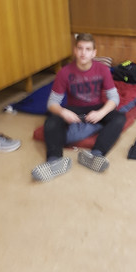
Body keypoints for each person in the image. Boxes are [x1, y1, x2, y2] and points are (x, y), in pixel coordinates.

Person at [31, 33, 126, 182]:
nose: (83, 53)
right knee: (51, 121)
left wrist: (101, 113)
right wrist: (63, 112)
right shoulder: (64, 72)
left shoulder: (103, 70)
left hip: (96, 107)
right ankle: (54, 161)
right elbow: (52, 103)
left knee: (119, 118)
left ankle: (96, 155)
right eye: (80, 48)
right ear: (75, 50)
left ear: (94, 53)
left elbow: (114, 98)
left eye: (88, 49)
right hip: (73, 109)